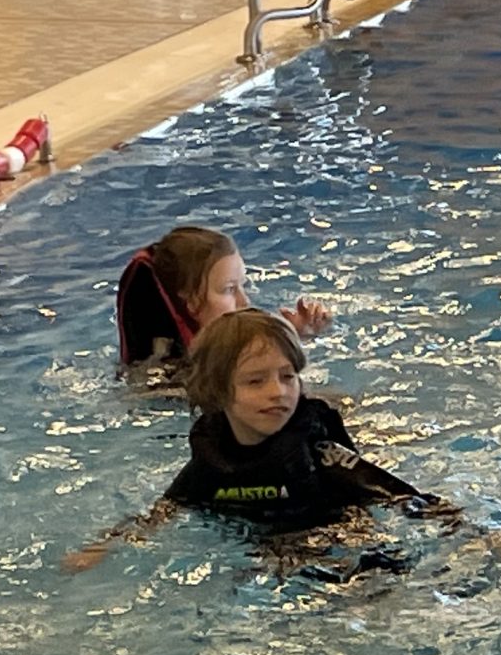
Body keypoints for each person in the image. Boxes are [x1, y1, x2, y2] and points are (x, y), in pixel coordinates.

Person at [66, 310, 444, 570]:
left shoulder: (317, 453)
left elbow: (403, 497)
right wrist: (103, 547)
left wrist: (467, 535)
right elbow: (168, 507)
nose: (277, 392)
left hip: (346, 548)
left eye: (287, 376)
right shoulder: (213, 458)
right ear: (217, 391)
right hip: (271, 555)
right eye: (255, 381)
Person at [115, 225, 331, 366]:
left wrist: (296, 336)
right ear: (190, 302)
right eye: (229, 289)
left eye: (242, 286)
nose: (244, 302)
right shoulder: (170, 382)